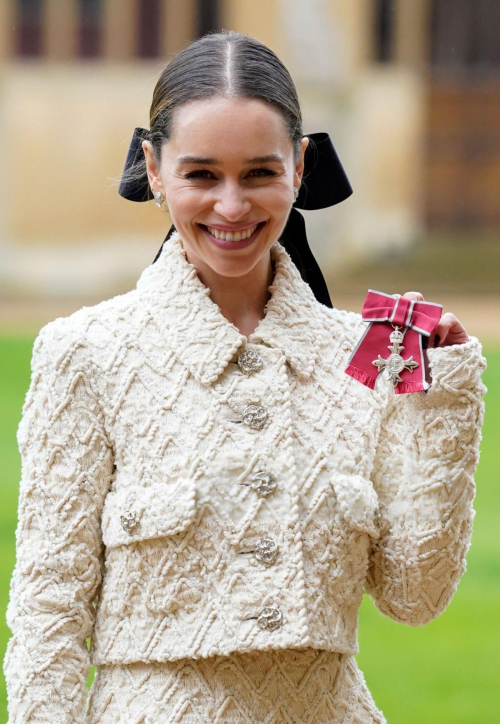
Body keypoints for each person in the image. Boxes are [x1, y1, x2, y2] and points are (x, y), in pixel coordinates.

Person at [3, 30, 487, 724]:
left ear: (299, 165)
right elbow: (49, 613)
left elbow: (414, 596)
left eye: (259, 173)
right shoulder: (85, 353)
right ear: (154, 167)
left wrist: (442, 401)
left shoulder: (372, 350)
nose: (232, 207)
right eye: (202, 175)